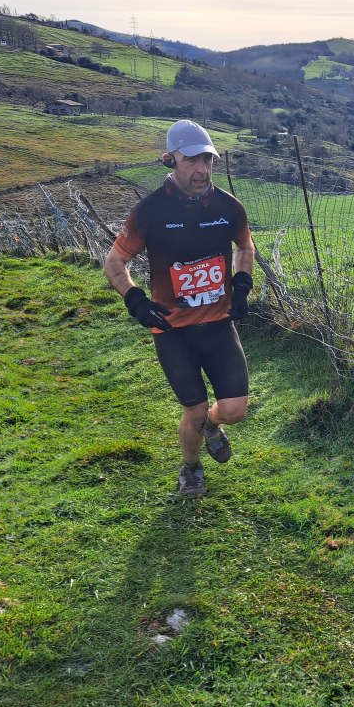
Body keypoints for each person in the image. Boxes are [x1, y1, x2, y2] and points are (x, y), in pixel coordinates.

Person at [102, 120, 255, 498]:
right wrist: (136, 302)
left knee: (234, 409)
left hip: (218, 325)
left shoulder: (228, 206)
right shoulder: (150, 211)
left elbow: (245, 247)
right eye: (192, 161)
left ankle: (213, 428)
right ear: (171, 160)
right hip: (173, 331)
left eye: (208, 160)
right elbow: (114, 263)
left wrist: (241, 285)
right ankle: (191, 468)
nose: (202, 170)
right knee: (195, 409)